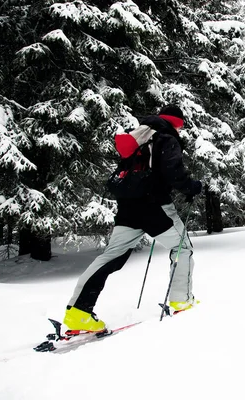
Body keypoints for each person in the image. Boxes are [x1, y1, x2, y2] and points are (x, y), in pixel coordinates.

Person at [63, 105, 202, 331]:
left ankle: (78, 312)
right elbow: (173, 171)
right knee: (182, 248)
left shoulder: (139, 137)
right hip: (155, 207)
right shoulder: (167, 138)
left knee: (111, 256)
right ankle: (181, 299)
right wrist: (191, 187)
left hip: (128, 207)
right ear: (177, 123)